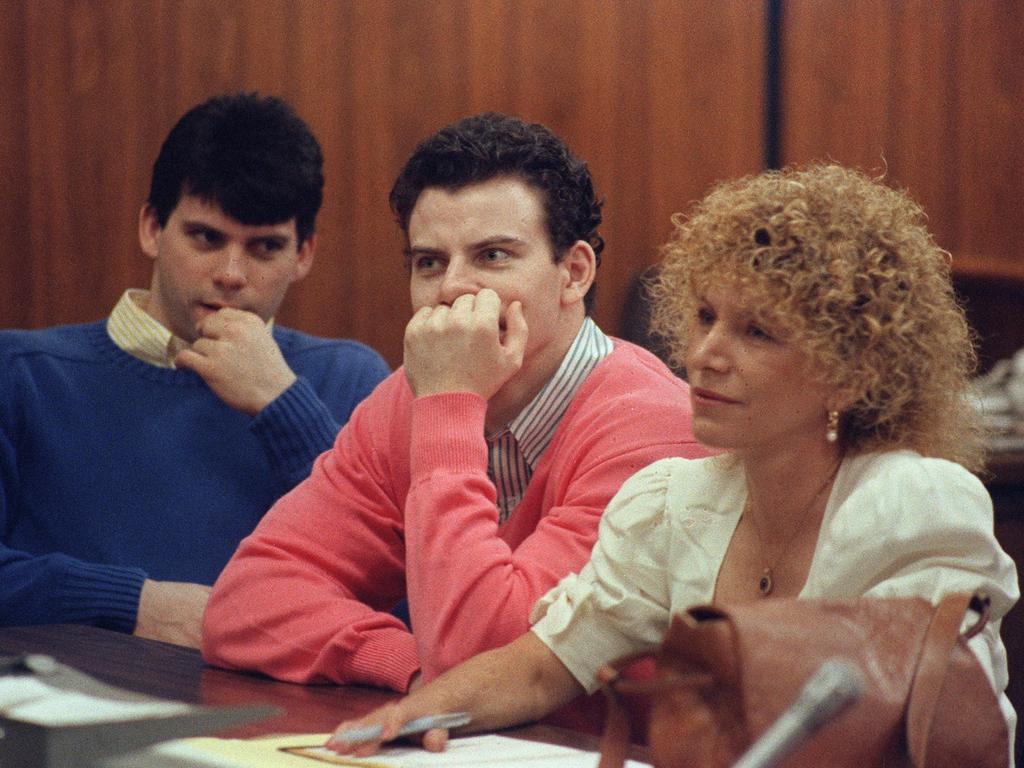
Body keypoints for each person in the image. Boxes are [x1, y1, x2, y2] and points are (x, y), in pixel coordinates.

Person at [326, 163, 1019, 759]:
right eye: (707, 316)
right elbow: (542, 666)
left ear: (852, 371)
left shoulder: (915, 503)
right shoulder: (669, 501)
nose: (706, 354)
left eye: (758, 332)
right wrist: (419, 711)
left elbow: (922, 733)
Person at [201, 113, 705, 709]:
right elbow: (243, 603)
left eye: (492, 256)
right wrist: (409, 668)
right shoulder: (407, 398)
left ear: (573, 274)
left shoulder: (653, 427)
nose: (450, 290)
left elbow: (490, 659)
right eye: (430, 262)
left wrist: (450, 406)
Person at [0, 93, 389, 648]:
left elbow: (393, 593)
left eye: (265, 247)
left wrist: (283, 404)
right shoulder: (21, 375)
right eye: (206, 238)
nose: (231, 274)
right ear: (152, 228)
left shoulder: (348, 379)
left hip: (282, 723)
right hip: (75, 713)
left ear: (303, 255)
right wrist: (139, 605)